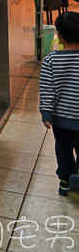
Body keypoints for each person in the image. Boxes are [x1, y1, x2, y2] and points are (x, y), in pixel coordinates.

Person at [40, 12, 79, 196]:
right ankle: (77, 175)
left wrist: (46, 112)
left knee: (63, 150)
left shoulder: (51, 60)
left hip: (61, 120)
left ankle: (65, 180)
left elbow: (47, 90)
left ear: (59, 35)